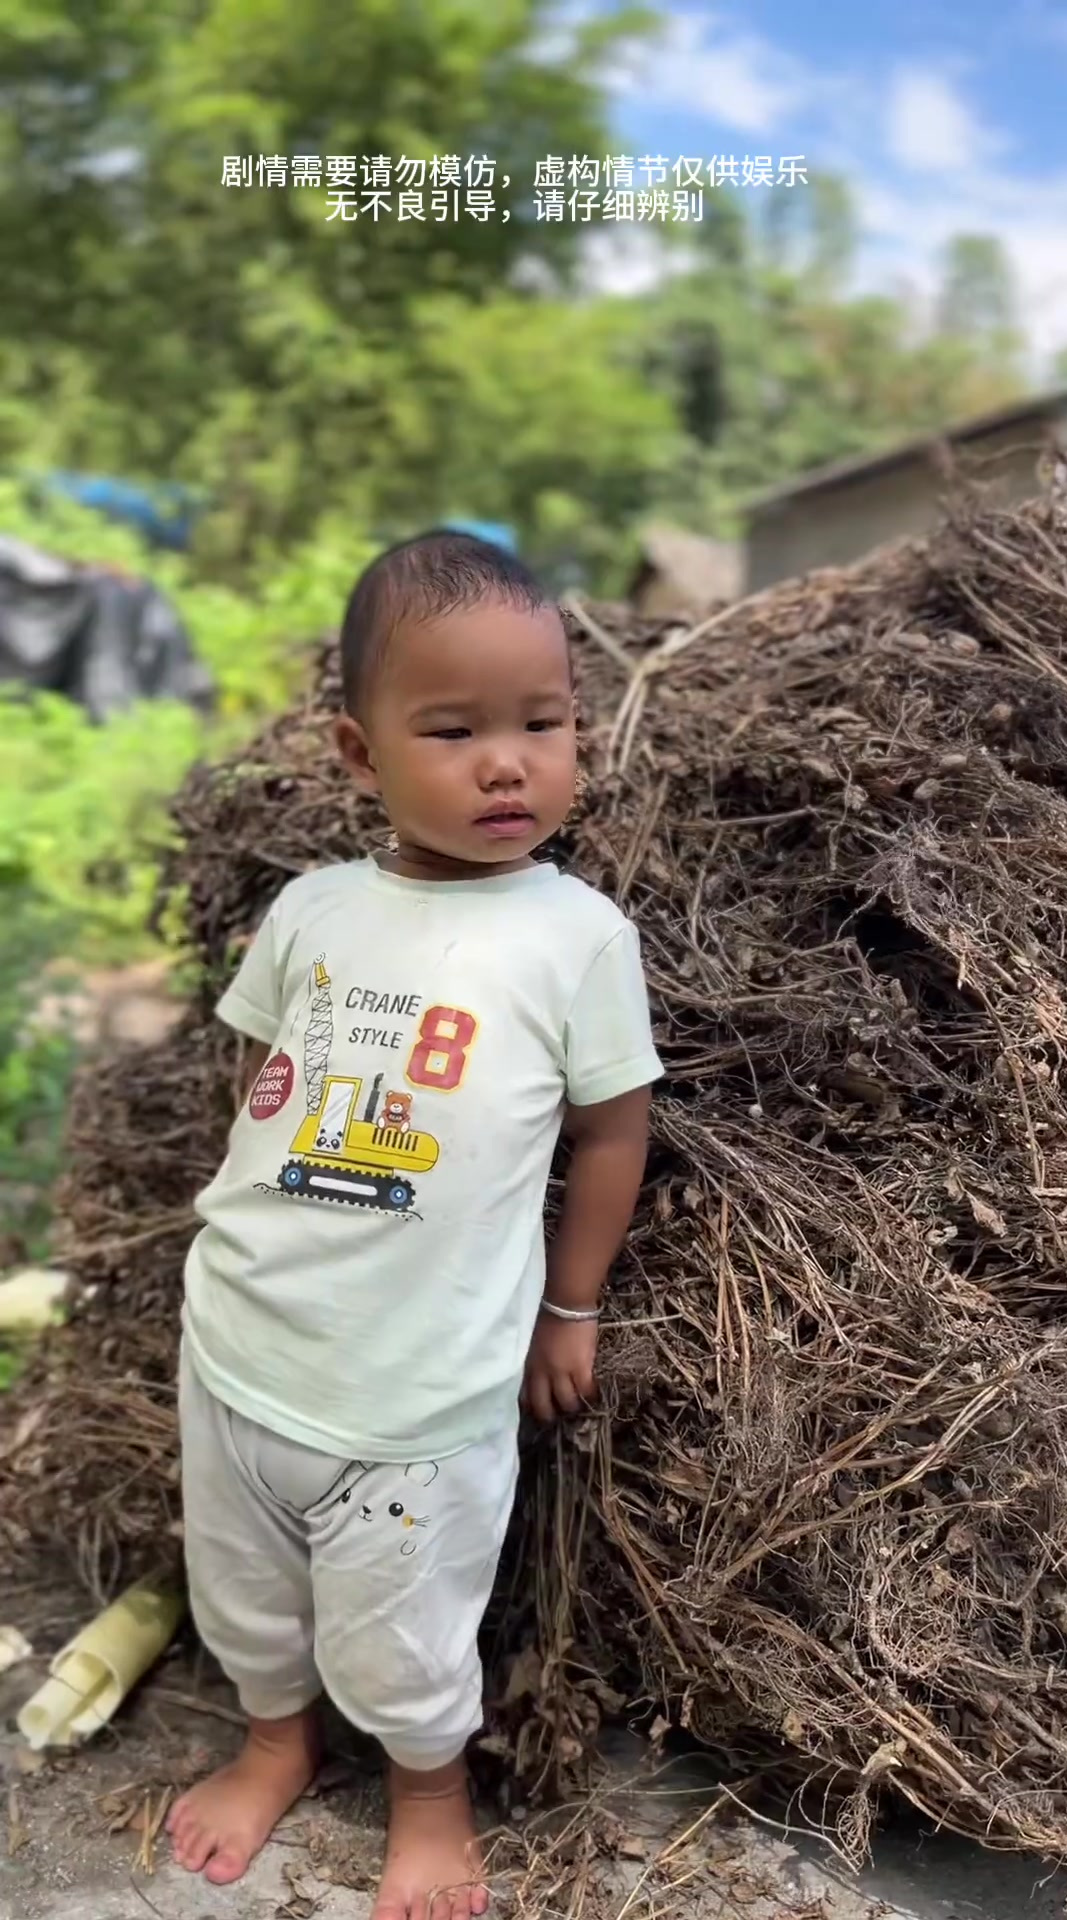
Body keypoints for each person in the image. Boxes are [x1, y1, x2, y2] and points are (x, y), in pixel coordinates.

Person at [166, 530, 664, 1919]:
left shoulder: (577, 939)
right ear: (358, 751)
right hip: (242, 1343)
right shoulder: (314, 910)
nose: (507, 763)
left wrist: (573, 1308)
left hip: (421, 1393)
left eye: (541, 724)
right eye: (453, 730)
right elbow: (262, 1086)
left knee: (406, 1632)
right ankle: (275, 1741)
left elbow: (611, 1133)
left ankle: (429, 1802)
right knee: (246, 1601)